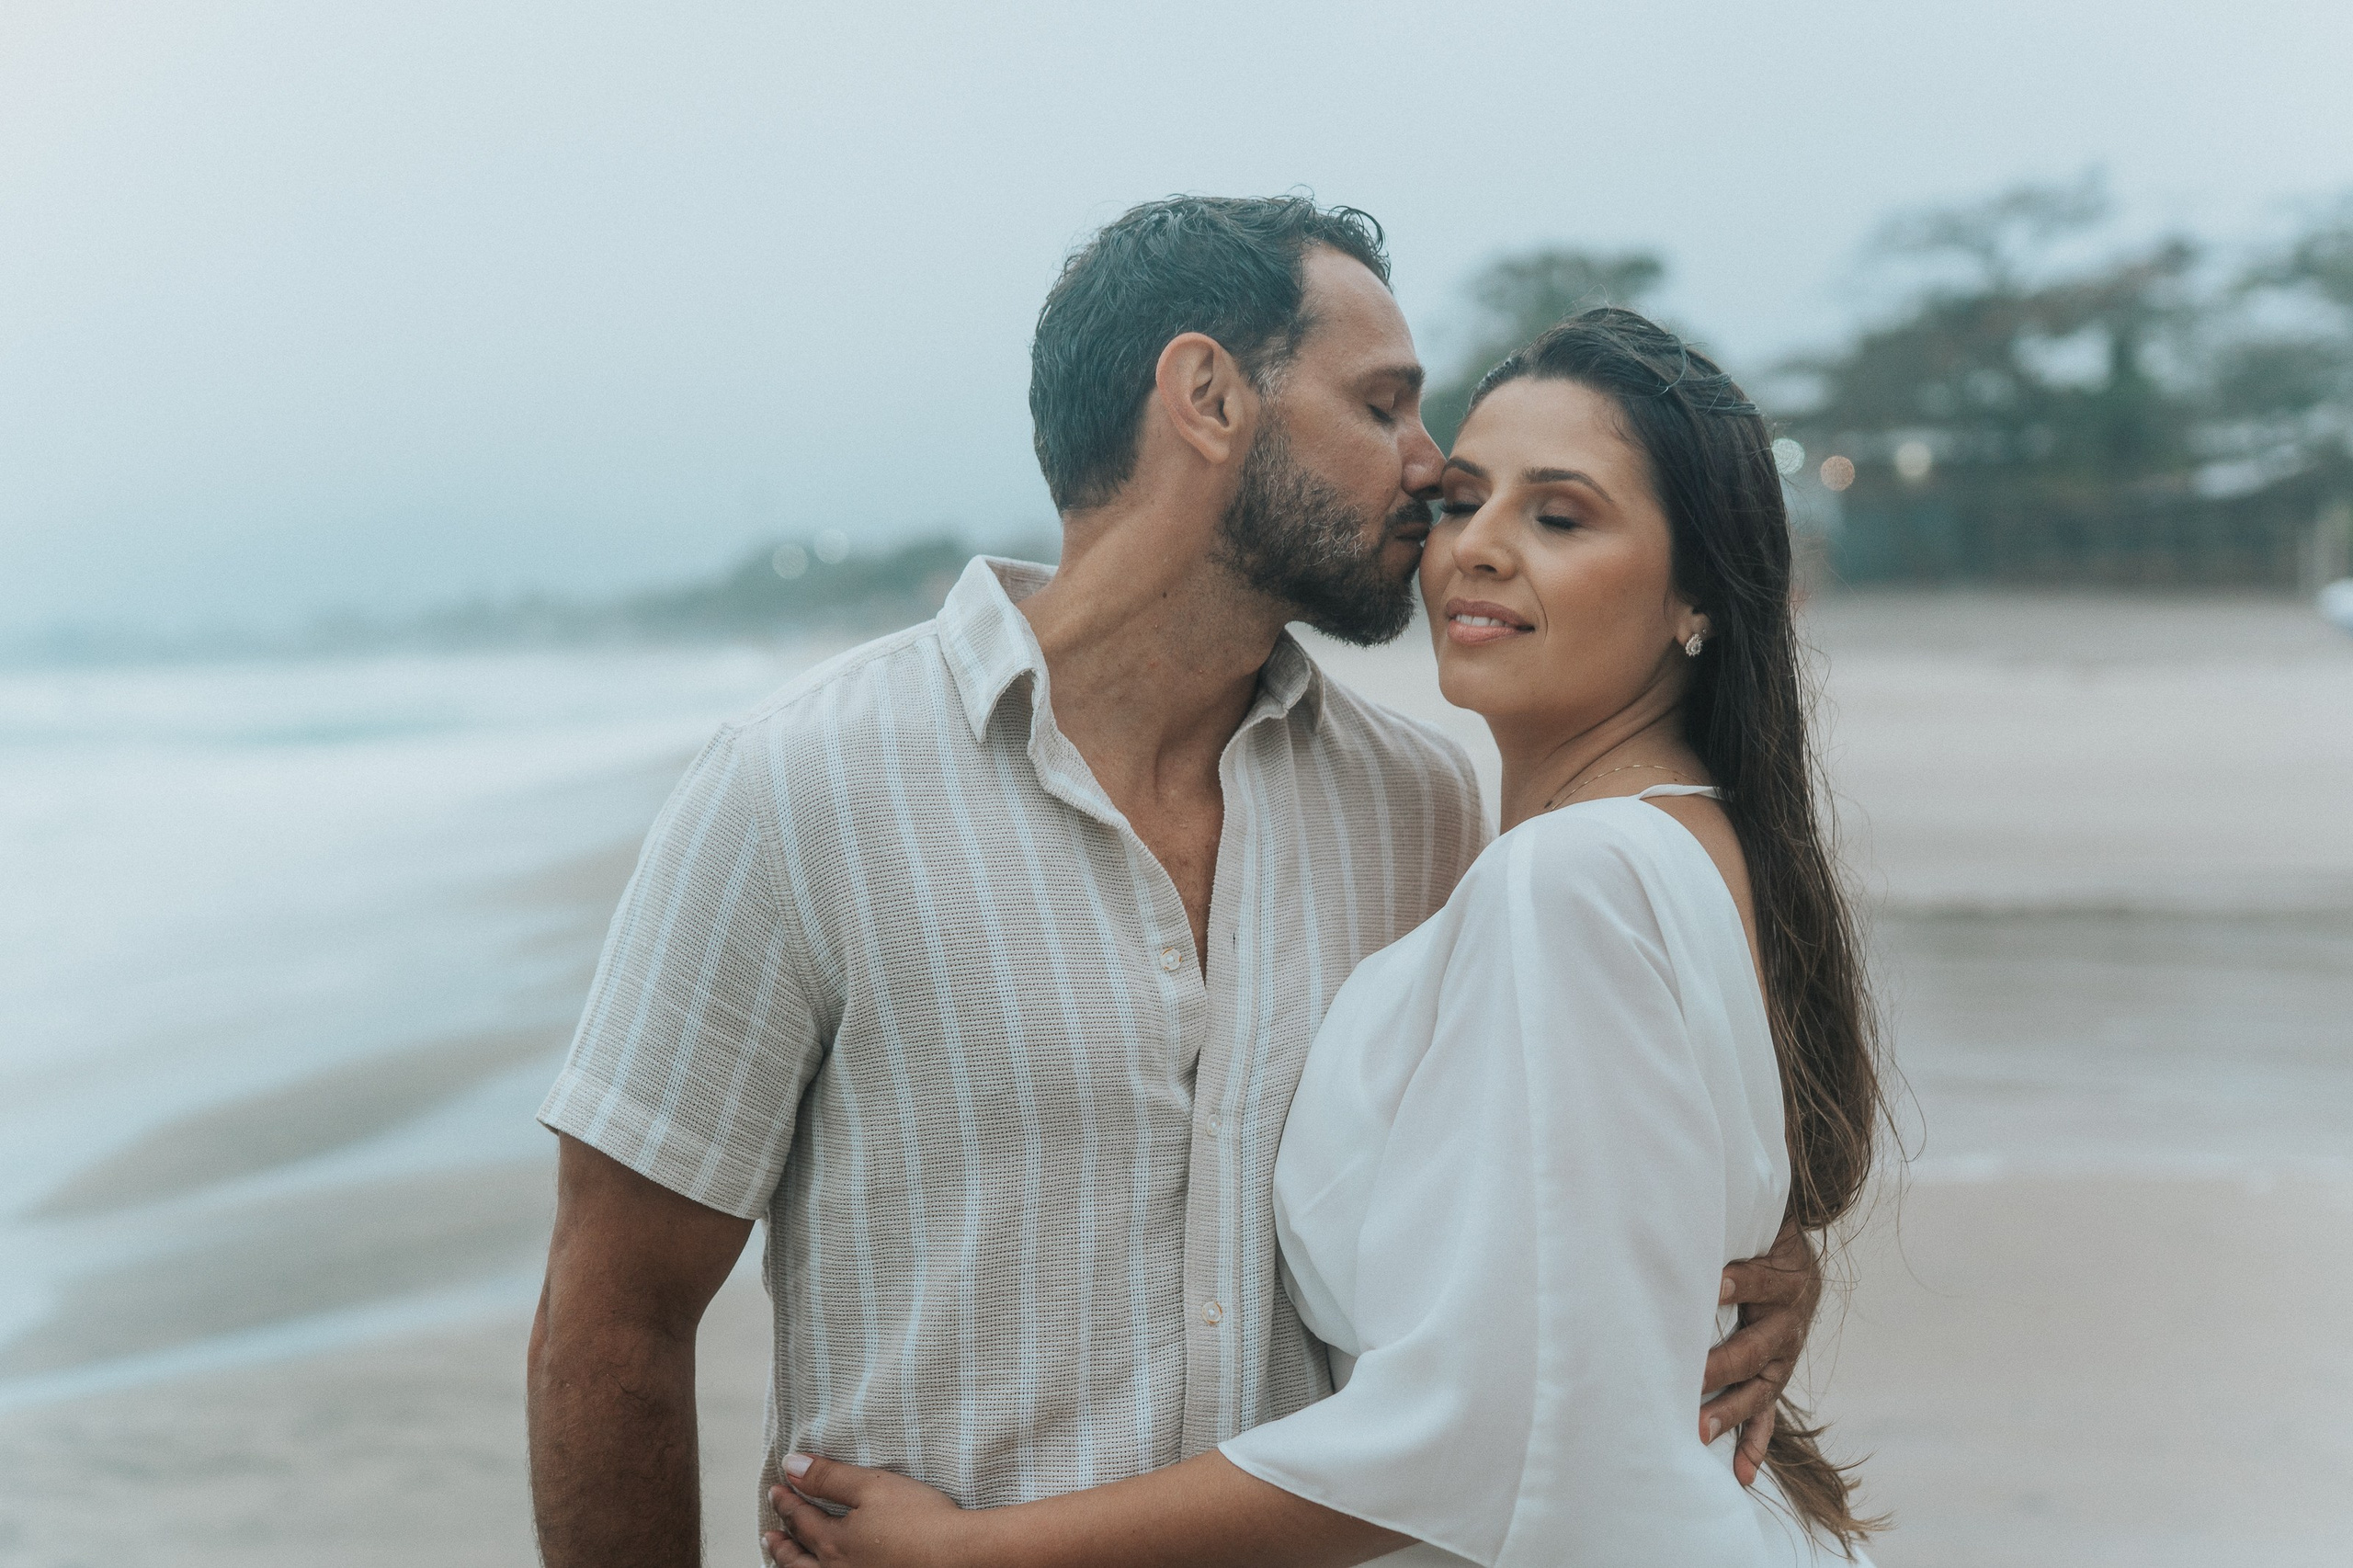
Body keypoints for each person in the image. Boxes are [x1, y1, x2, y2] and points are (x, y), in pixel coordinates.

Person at [525, 199, 1822, 1567]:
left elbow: (1572, 1163)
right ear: (1208, 398)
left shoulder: (1425, 809)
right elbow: (614, 1312)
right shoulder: (798, 789)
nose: (1429, 469)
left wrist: (1755, 1254)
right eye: (1384, 406)